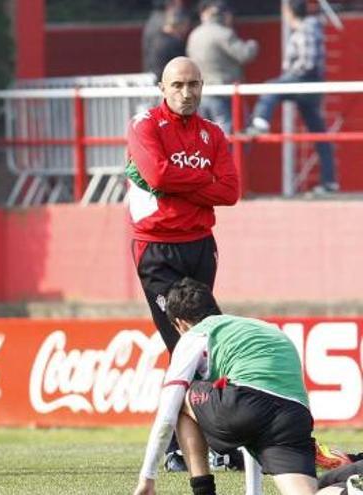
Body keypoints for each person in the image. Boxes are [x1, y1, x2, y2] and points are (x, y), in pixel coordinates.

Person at [125, 55, 240, 471]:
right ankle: (181, 449)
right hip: (156, 249)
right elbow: (155, 175)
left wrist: (181, 183)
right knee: (185, 346)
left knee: (209, 346)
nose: (186, 93)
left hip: (200, 245)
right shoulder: (145, 126)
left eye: (194, 85)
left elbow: (230, 191)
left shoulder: (212, 134)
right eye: (178, 85)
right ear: (163, 88)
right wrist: (202, 184)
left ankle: (217, 445)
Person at [133, 278, 318, 495]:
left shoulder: (195, 334)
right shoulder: (261, 327)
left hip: (244, 405)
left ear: (181, 324)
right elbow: (256, 417)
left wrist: (147, 478)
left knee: (181, 398)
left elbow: (167, 413)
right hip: (294, 416)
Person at [246, 0, 338, 193]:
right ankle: (330, 182)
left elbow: (308, 63)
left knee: (271, 87)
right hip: (306, 84)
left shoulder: (306, 29)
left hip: (304, 82)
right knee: (319, 133)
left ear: (289, 12)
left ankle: (260, 123)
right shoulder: (308, 28)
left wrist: (288, 77)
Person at [186, 0, 259, 133]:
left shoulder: (194, 34)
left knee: (203, 134)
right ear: (225, 15)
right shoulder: (224, 33)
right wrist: (253, 45)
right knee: (226, 133)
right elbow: (244, 54)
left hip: (202, 91)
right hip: (222, 91)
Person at [145, 6, 193, 81]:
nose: (186, 29)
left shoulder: (156, 39)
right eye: (185, 25)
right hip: (171, 81)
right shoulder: (175, 43)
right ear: (179, 25)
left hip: (157, 79)